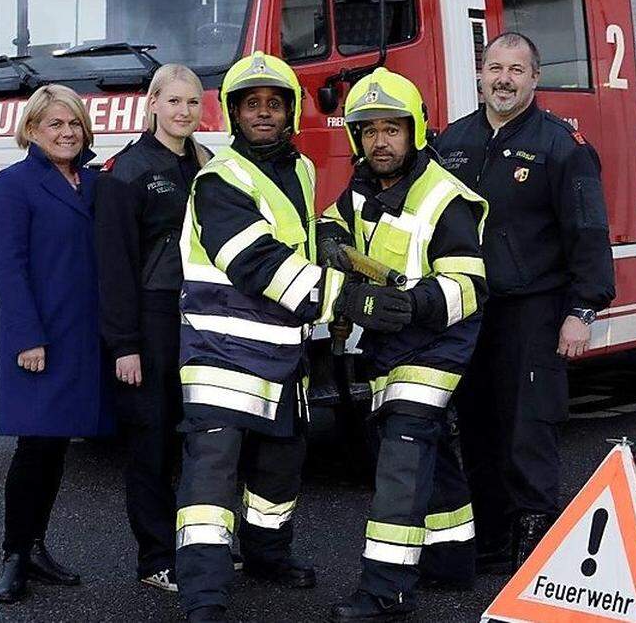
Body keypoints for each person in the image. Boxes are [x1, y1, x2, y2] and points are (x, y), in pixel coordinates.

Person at [173, 52, 408, 622]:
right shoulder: (218, 180)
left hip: (284, 351)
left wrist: (330, 236)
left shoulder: (299, 169)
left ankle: (266, 558)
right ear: (234, 112)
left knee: (279, 471)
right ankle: (204, 594)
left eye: (274, 103)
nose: (263, 113)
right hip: (222, 357)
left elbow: (299, 235)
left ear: (290, 112)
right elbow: (258, 263)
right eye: (251, 104)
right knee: (211, 483)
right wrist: (349, 297)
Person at [434, 32, 616, 572]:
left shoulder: (561, 146)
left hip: (534, 312)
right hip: (470, 311)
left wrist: (581, 311)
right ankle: (490, 547)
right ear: (480, 74)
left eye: (517, 69)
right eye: (495, 67)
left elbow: (588, 231)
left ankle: (538, 559)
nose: (504, 79)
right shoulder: (453, 141)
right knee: (480, 429)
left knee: (528, 433)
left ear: (535, 78)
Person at [321, 68, 488, 621]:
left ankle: (385, 590)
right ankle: (451, 560)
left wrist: (415, 304)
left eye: (392, 130)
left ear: (414, 131)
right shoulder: (364, 187)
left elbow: (471, 286)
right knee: (428, 452)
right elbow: (334, 224)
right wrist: (329, 238)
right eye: (369, 132)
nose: (380, 142)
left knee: (402, 456)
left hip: (437, 345)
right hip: (388, 346)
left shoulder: (444, 197)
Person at [0, 84, 114, 603]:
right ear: (32, 130)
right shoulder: (12, 185)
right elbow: (9, 269)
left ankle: (37, 548)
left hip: (82, 338)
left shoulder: (94, 183)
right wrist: (27, 337)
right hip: (39, 336)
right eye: (54, 124)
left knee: (58, 444)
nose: (66, 133)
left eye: (73, 124)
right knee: (34, 445)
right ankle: (14, 554)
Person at [95, 64, 213, 593]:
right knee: (152, 444)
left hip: (203, 317)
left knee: (200, 440)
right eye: (174, 102)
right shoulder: (124, 171)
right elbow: (114, 267)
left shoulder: (208, 163)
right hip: (150, 319)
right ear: (152, 104)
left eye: (192, 102)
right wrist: (124, 344)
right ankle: (155, 558)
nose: (184, 111)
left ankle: (199, 546)